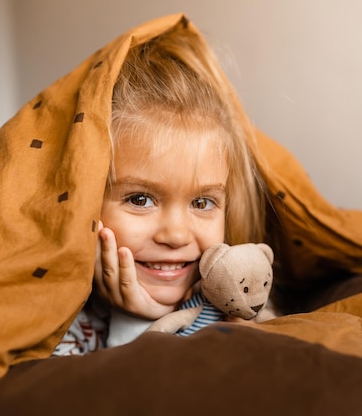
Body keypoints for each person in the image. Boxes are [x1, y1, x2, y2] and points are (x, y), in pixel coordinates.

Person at [52, 24, 267, 355]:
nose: (176, 235)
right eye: (140, 199)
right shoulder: (61, 330)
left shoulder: (239, 295)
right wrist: (134, 321)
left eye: (202, 201)